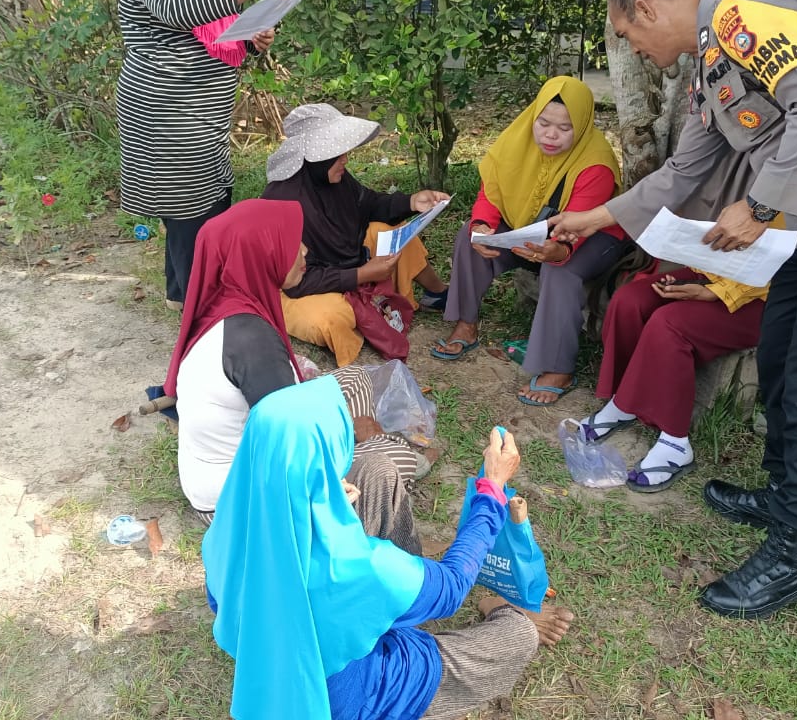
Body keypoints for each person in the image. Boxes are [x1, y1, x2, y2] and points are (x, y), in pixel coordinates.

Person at [552, 0, 797, 619]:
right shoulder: (708, 72)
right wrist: (595, 217)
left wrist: (755, 205)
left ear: (645, 9)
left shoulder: (744, 18)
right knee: (782, 367)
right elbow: (682, 172)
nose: (636, 51)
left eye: (629, 36)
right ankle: (784, 501)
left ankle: (792, 559)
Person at [202, 377, 575, 720]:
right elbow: (452, 587)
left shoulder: (228, 532)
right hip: (360, 694)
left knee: (377, 469)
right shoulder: (363, 567)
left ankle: (411, 605)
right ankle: (494, 611)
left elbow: (242, 598)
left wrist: (325, 506)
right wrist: (492, 488)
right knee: (518, 636)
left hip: (282, 657)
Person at [161, 198, 420, 529]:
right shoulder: (250, 340)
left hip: (241, 461)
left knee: (355, 379)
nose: (305, 251)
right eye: (291, 243)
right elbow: (288, 441)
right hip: (241, 502)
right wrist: (348, 433)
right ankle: (368, 484)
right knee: (392, 460)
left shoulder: (230, 303)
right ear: (262, 255)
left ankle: (370, 446)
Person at [114, 0, 297, 308]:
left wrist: (251, 33)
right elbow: (178, 7)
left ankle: (184, 294)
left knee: (208, 201)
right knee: (190, 212)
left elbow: (209, 20)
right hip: (167, 113)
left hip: (197, 113)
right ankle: (200, 308)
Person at [432, 76, 627, 406]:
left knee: (561, 271)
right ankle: (466, 324)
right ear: (532, 117)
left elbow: (577, 228)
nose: (550, 135)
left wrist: (558, 250)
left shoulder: (596, 163)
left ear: (580, 126)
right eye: (544, 123)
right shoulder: (516, 141)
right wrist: (482, 226)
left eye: (564, 128)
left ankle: (559, 369)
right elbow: (491, 194)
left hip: (591, 238)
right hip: (532, 229)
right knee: (469, 235)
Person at [262, 104, 450, 366]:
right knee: (330, 318)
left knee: (393, 233)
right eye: (338, 155)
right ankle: (365, 312)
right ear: (316, 157)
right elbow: (295, 281)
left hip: (346, 262)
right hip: (298, 285)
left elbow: (369, 204)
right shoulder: (283, 201)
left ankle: (438, 293)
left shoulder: (330, 177)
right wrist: (361, 275)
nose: (346, 160)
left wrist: (411, 202)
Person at [581, 267, 769, 492]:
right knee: (629, 301)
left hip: (759, 296)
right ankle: (623, 402)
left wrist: (718, 292)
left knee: (668, 323)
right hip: (710, 272)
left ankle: (676, 444)